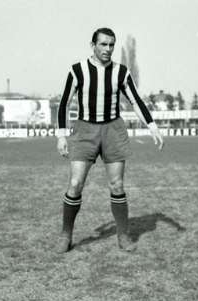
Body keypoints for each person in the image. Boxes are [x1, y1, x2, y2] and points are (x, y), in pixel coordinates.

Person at [56, 27, 164, 253]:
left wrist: (152, 125)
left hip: (113, 130)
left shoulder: (121, 72)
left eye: (111, 45)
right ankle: (66, 235)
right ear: (93, 45)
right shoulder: (78, 70)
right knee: (75, 184)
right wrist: (61, 135)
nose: (107, 49)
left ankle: (123, 235)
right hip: (84, 130)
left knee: (117, 185)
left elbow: (135, 100)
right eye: (103, 44)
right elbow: (64, 102)